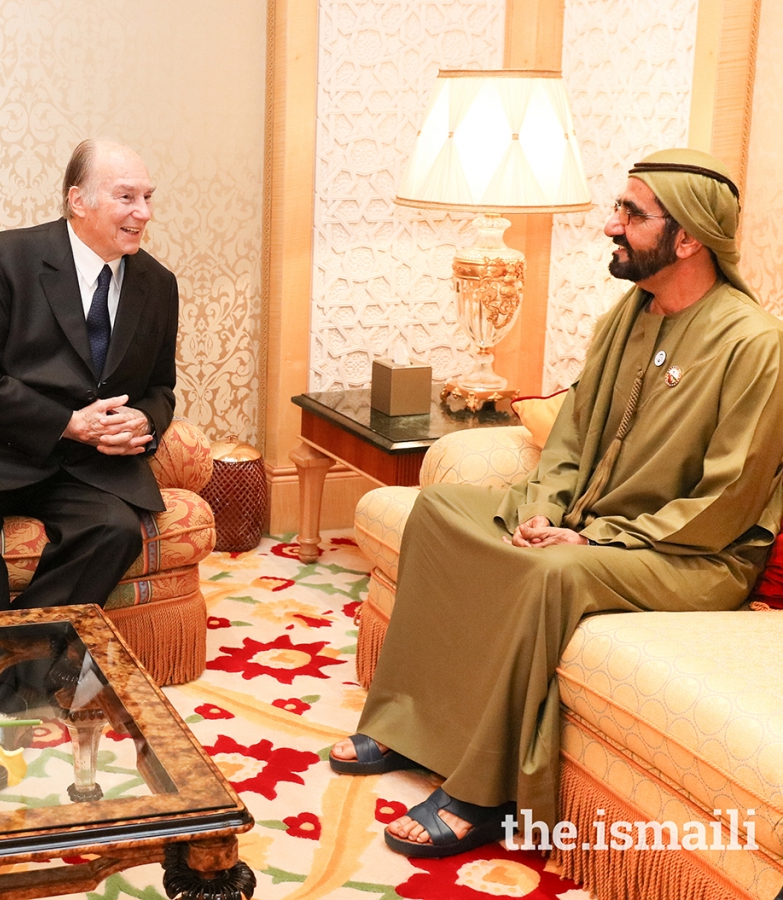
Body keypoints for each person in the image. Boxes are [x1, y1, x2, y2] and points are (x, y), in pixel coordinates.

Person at [330, 148, 783, 858]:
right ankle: (408, 720)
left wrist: (597, 543)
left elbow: (729, 497)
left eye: (631, 213)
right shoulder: (627, 315)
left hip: (692, 557)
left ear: (688, 237)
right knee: (441, 511)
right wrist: (545, 508)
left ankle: (484, 795)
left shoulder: (753, 343)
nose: (611, 223)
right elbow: (570, 435)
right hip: (589, 521)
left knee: (550, 574)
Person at [0, 140, 179, 615]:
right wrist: (69, 421)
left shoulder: (157, 285)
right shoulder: (3, 258)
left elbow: (161, 389)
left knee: (115, 530)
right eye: (127, 197)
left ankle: (13, 653)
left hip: (79, 463)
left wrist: (143, 421)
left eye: (148, 197)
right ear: (78, 201)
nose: (144, 213)